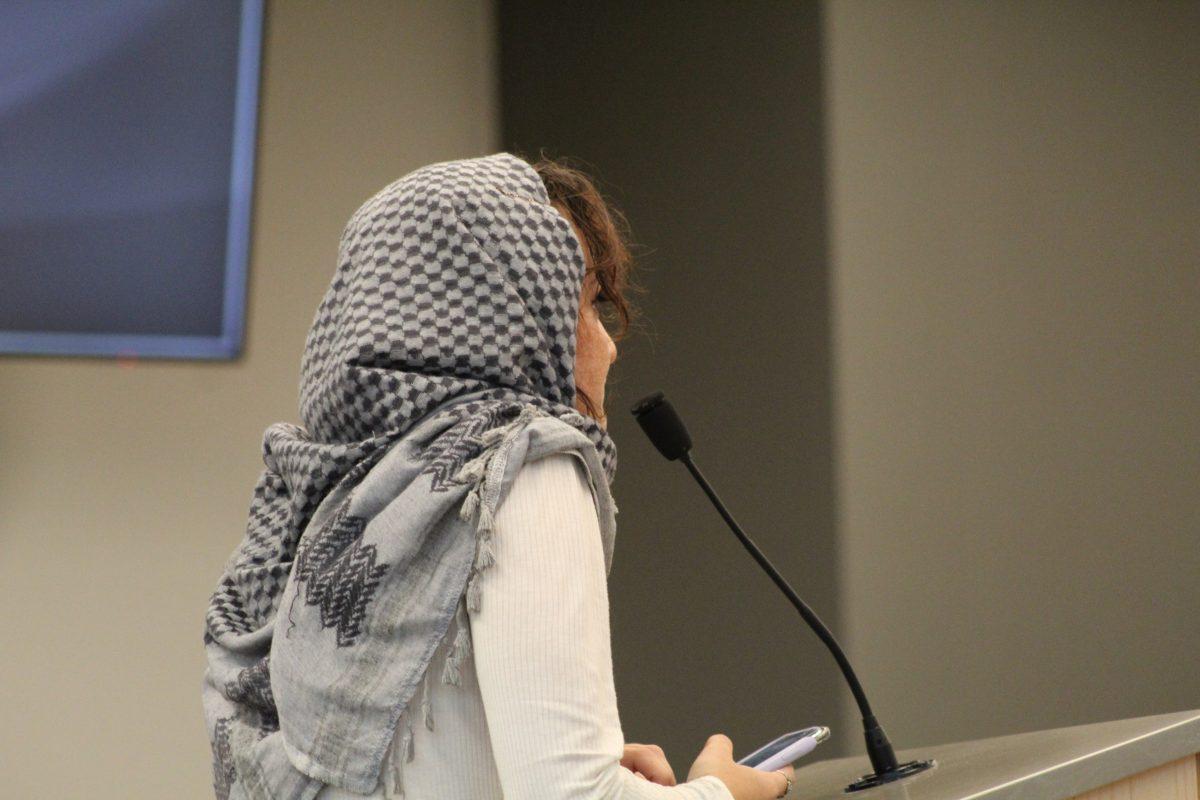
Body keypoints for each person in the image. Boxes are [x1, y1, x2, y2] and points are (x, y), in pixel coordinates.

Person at [203, 152, 793, 800]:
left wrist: (523, 756)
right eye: (588, 303)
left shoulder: (346, 496)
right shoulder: (521, 465)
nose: (609, 344)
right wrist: (724, 792)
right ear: (508, 315)